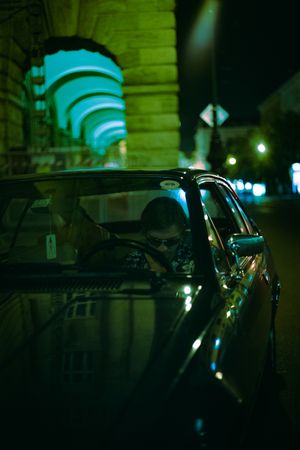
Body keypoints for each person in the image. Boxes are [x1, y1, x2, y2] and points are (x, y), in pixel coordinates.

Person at [125, 196, 194, 273]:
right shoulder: (134, 260)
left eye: (171, 241)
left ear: (182, 234)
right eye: (155, 241)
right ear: (145, 234)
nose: (163, 249)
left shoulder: (195, 257)